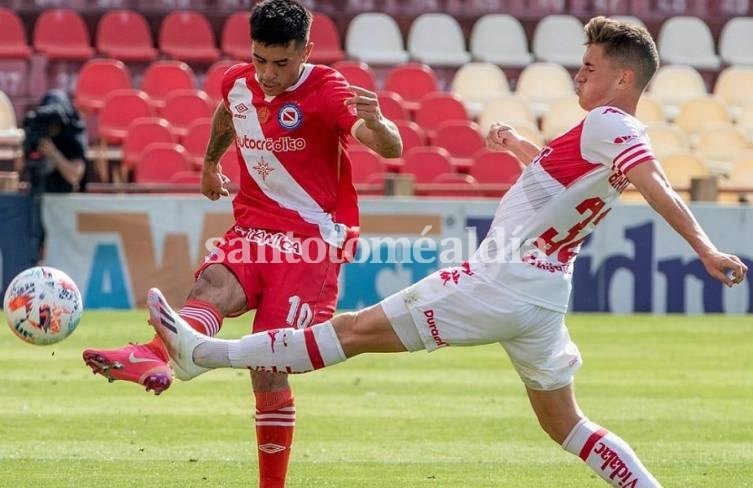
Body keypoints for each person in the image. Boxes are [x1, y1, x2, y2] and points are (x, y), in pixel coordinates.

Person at [145, 16, 747, 487]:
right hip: (543, 295)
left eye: (589, 67)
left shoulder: (613, 124)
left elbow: (654, 183)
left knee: (352, 332)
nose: (578, 76)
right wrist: (518, 147)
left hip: (499, 280)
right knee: (565, 424)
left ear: (623, 79)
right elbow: (559, 182)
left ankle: (205, 354)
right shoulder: (600, 136)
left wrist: (704, 246)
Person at [82, 1, 402, 487]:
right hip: (253, 229)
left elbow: (388, 146)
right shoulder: (238, 81)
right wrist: (211, 163)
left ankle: (267, 480)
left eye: (281, 63)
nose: (268, 74)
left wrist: (378, 125)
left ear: (306, 51)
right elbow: (228, 110)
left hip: (312, 241)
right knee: (211, 283)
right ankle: (156, 351)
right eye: (259, 60)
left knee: (268, 368)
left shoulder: (327, 88)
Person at [18, 89, 89, 262]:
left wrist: (54, 154)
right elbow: (23, 168)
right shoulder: (37, 130)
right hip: (38, 197)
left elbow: (75, 175)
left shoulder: (72, 133)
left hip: (64, 202)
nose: (52, 126)